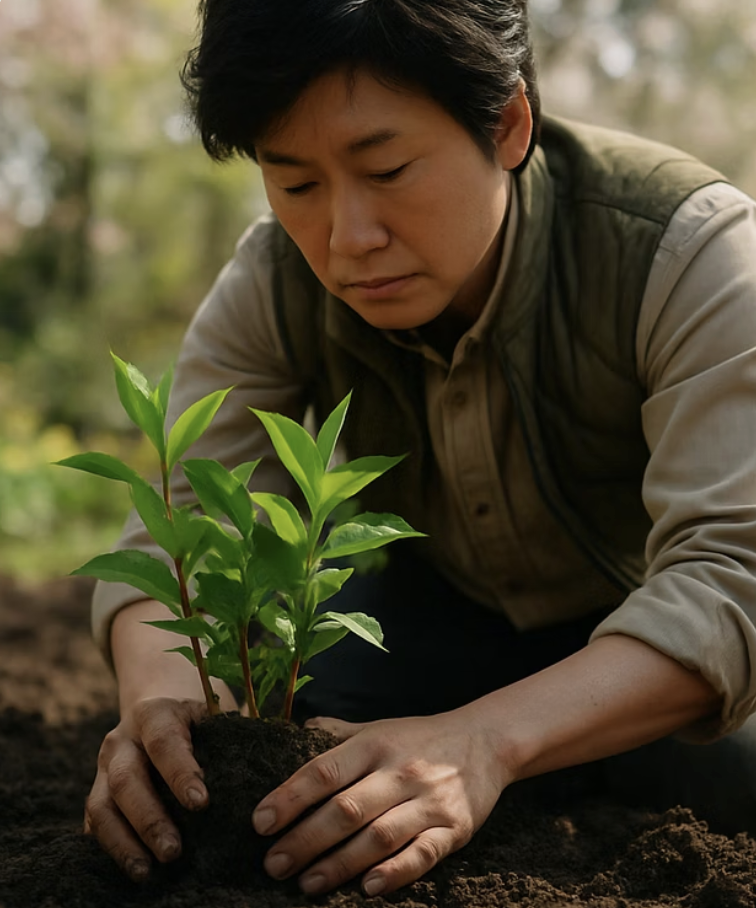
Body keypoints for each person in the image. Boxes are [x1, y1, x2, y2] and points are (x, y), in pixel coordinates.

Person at [87, 0, 756, 898]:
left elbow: (731, 577)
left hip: (645, 659)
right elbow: (177, 534)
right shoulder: (273, 285)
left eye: (388, 168)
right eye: (295, 185)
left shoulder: (687, 254)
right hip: (429, 625)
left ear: (510, 124)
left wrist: (482, 740)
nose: (347, 238)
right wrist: (163, 714)